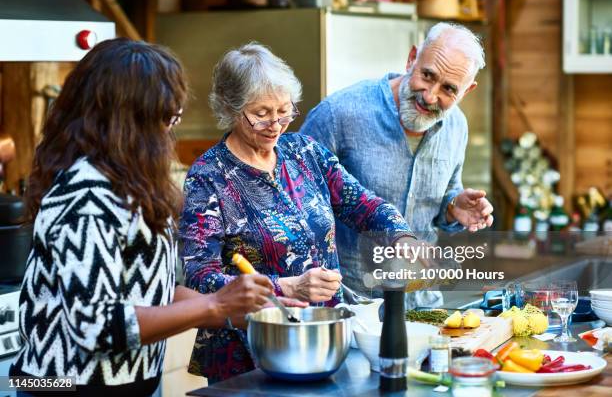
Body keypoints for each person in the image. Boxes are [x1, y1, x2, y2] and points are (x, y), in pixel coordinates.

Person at [10, 38, 279, 397]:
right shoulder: (87, 194)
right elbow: (98, 326)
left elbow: (151, 293)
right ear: (131, 119)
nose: (171, 128)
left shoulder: (128, 182)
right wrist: (213, 305)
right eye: (168, 115)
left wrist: (233, 308)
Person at [179, 42, 415, 383]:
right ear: (231, 109)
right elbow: (200, 277)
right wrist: (285, 288)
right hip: (250, 353)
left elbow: (362, 204)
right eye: (261, 113)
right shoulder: (208, 176)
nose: (276, 123)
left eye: (284, 111)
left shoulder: (304, 152)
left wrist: (401, 235)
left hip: (323, 340)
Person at [300, 22, 494, 301]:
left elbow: (441, 203)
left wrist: (453, 207)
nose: (430, 96)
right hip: (354, 304)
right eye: (427, 75)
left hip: (422, 304)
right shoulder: (339, 114)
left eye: (449, 89)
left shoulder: (457, 127)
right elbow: (294, 201)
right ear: (411, 58)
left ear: (466, 91)